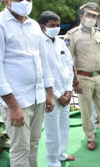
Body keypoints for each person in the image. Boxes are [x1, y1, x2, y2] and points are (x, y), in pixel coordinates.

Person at [0, 0, 55, 167]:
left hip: (37, 97)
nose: (24, 3)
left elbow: (43, 61)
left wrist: (49, 93)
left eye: (28, 0)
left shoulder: (34, 25)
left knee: (34, 144)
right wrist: (13, 107)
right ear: (7, 1)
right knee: (20, 148)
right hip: (17, 100)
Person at [64, 2, 100, 151]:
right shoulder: (72, 35)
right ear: (81, 17)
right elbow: (67, 60)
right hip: (83, 78)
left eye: (94, 16)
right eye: (88, 15)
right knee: (86, 110)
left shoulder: (97, 33)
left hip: (99, 76)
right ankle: (90, 138)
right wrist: (74, 81)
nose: (91, 18)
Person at [39, 11, 76, 167]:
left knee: (64, 126)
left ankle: (61, 154)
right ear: (42, 27)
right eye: (52, 25)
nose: (56, 28)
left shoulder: (61, 43)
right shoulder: (38, 44)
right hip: (51, 95)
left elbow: (68, 66)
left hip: (65, 93)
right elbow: (41, 73)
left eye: (57, 25)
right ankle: (52, 160)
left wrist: (68, 91)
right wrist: (58, 94)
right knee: (52, 130)